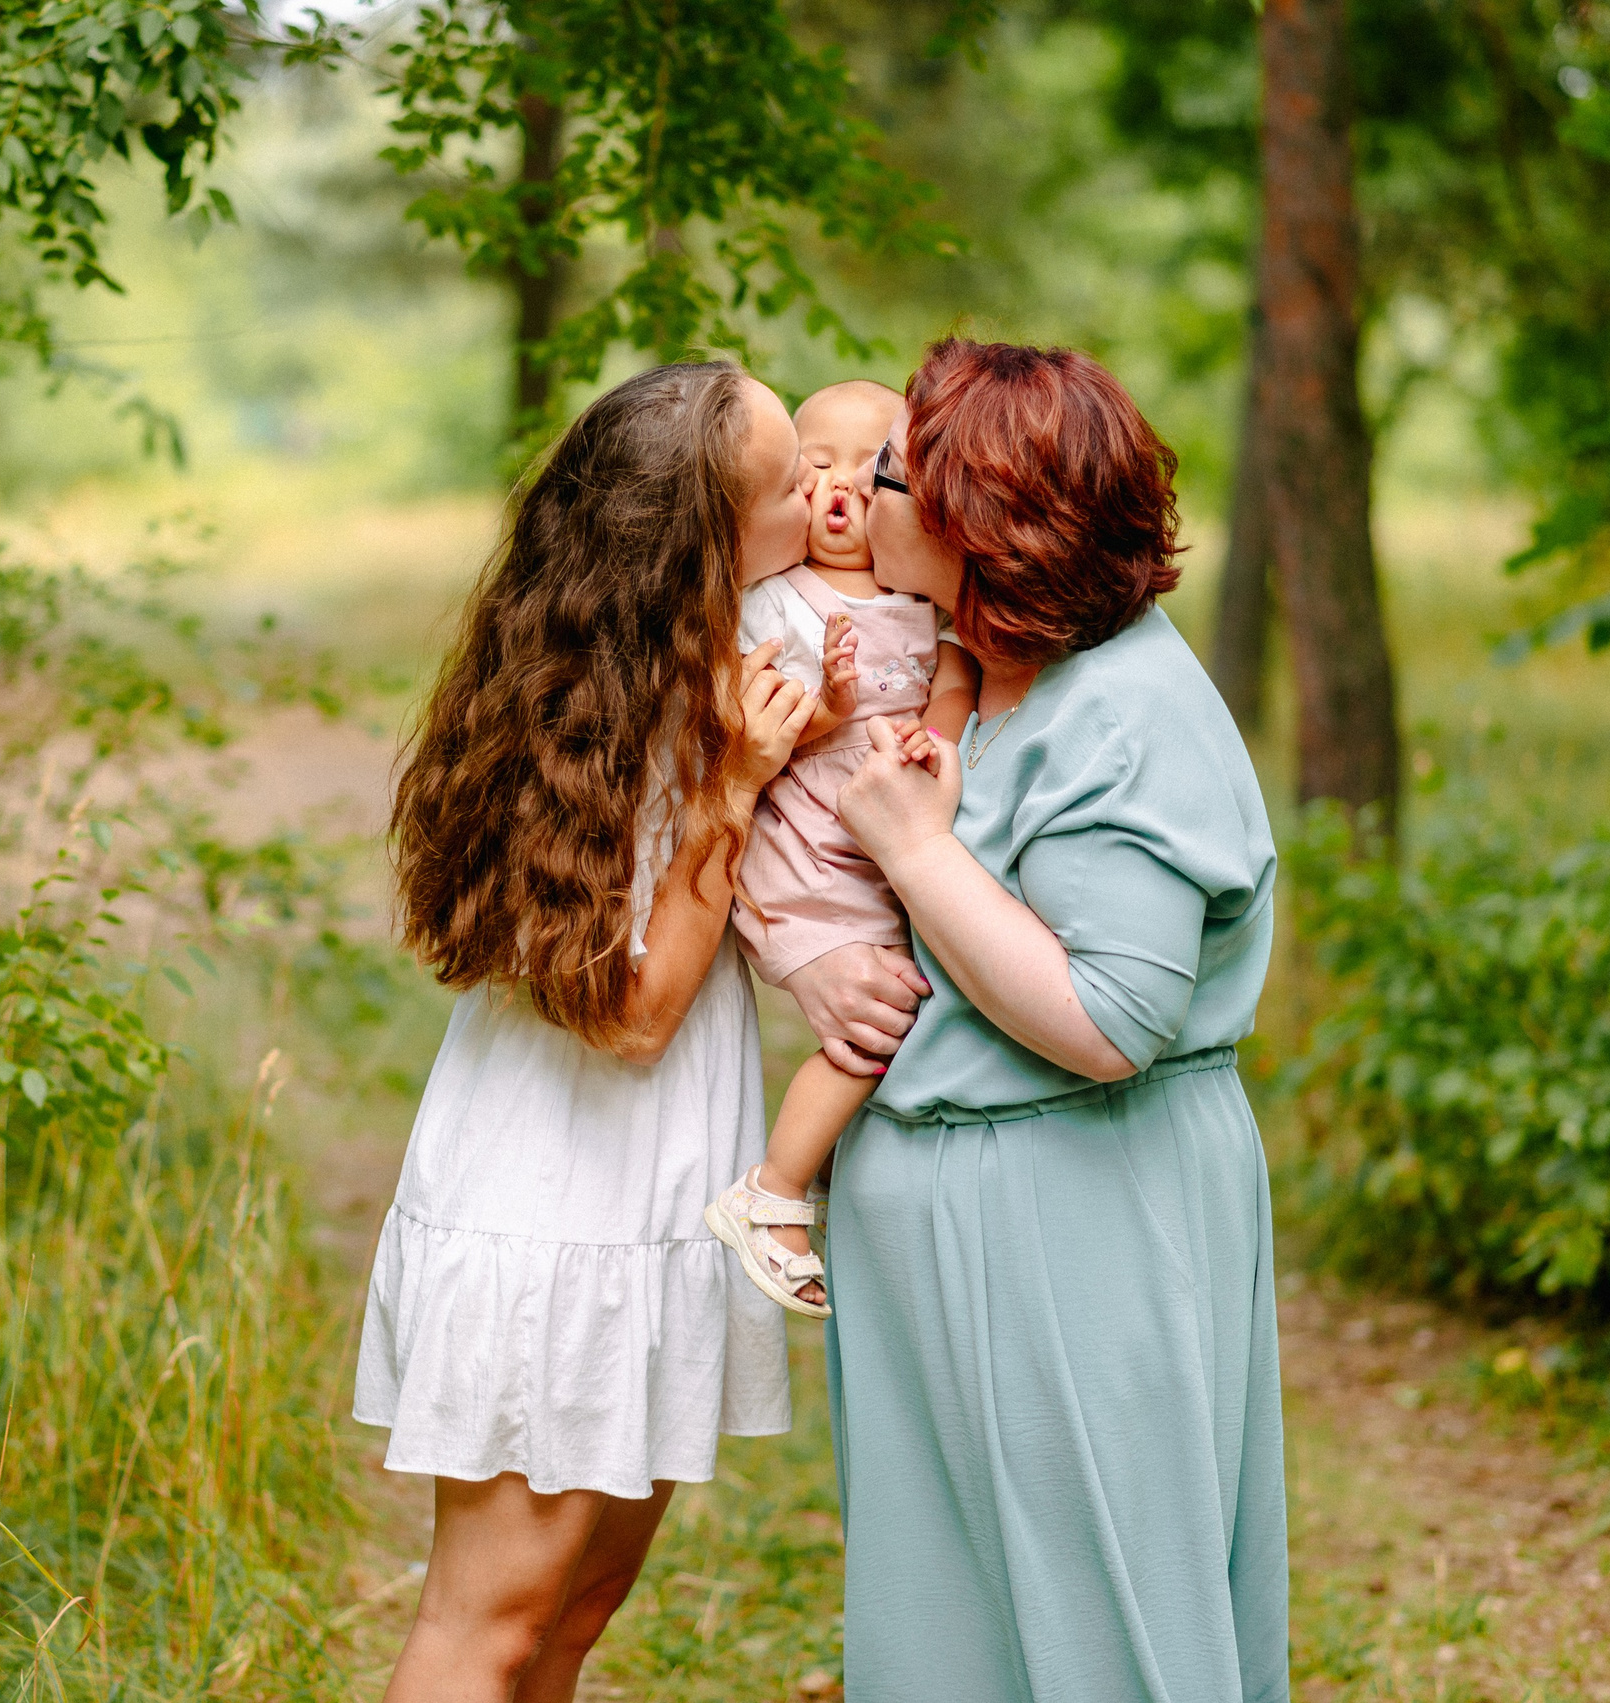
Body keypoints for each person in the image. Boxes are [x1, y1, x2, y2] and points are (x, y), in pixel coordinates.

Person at [824, 338, 1289, 1701]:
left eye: (892, 470)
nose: (863, 487)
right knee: (965, 1629)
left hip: (1079, 1210)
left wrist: (916, 852)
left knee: (1103, 1624)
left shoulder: (1128, 712)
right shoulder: (987, 662)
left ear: (984, 521)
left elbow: (1112, 1015)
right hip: (965, 1212)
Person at [355, 361, 821, 1703]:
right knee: (487, 1625)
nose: (819, 500)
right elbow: (630, 1015)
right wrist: (737, 788)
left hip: (642, 1204)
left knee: (574, 1611)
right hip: (556, 1217)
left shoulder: (699, 670)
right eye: (787, 486)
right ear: (703, 541)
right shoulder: (599, 717)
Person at [704, 379, 979, 1319]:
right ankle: (775, 1193)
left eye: (865, 478)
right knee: (877, 1024)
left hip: (886, 833)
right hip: (809, 854)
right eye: (812, 469)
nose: (835, 491)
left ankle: (808, 1182)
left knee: (900, 1008)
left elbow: (951, 686)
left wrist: (930, 739)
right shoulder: (776, 604)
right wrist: (828, 711)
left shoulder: (915, 597)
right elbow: (747, 733)